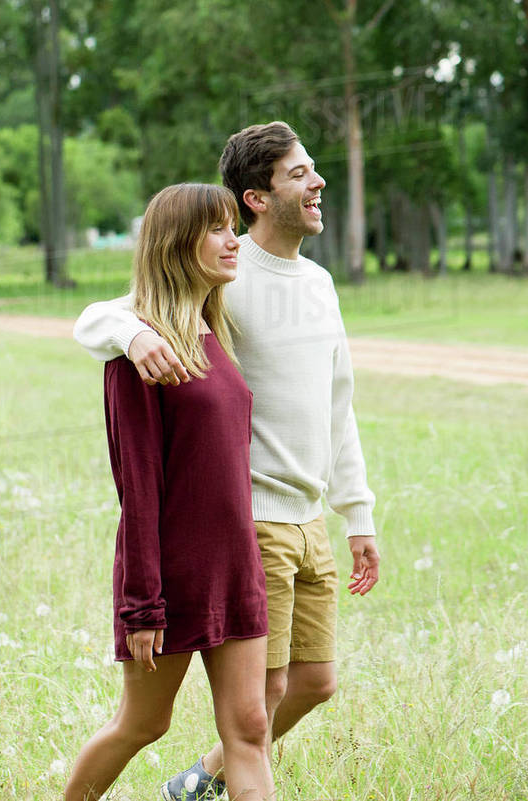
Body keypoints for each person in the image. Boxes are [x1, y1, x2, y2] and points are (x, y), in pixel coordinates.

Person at [73, 122, 381, 801]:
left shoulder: (294, 290)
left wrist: (358, 512)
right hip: (226, 536)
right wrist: (128, 332)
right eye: (299, 173)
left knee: (263, 714)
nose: (316, 181)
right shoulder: (193, 312)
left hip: (266, 540)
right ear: (258, 197)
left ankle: (196, 783)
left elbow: (339, 404)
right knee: (157, 720)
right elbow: (102, 317)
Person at [63, 183, 274, 801]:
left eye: (233, 226)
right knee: (144, 723)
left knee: (251, 725)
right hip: (170, 572)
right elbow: (140, 489)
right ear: (178, 244)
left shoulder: (216, 333)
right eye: (218, 229)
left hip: (235, 564)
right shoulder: (138, 353)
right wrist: (142, 604)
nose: (234, 241)